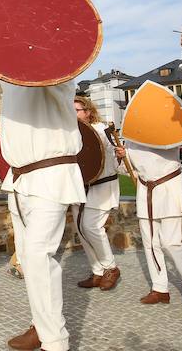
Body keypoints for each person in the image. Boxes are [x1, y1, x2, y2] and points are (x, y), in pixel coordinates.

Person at [0, 80, 85, 351]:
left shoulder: (52, 71)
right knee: (26, 258)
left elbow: (60, 66)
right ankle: (41, 324)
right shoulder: (7, 75)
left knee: (37, 255)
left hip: (51, 175)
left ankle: (55, 341)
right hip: (19, 179)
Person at [122, 141, 182, 304]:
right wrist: (122, 157)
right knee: (150, 243)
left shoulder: (167, 130)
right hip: (145, 190)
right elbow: (127, 169)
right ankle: (160, 289)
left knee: (170, 242)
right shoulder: (131, 137)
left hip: (169, 187)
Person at [70, 96, 121, 291]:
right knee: (81, 230)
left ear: (88, 112)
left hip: (102, 186)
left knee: (92, 227)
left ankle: (111, 267)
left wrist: (120, 155)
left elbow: (112, 163)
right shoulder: (70, 133)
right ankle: (97, 271)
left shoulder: (102, 131)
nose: (74, 114)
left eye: (77, 110)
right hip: (80, 187)